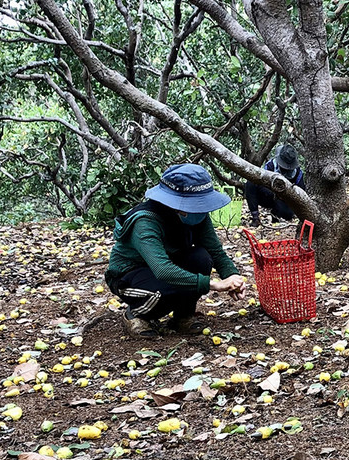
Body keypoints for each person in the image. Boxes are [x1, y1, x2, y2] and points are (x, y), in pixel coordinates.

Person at [105, 164, 247, 337]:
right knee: (163, 290)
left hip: (168, 265)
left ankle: (183, 317)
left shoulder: (196, 216)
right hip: (129, 276)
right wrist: (214, 284)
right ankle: (136, 314)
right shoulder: (144, 222)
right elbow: (163, 270)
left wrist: (233, 277)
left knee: (201, 258)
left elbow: (215, 251)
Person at [245, 144, 305, 227]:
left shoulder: (298, 173)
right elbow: (262, 183)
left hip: (285, 200)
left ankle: (275, 215)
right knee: (250, 183)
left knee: (288, 215)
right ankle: (255, 218)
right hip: (270, 196)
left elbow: (301, 192)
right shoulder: (270, 166)